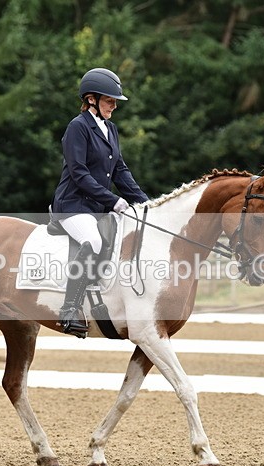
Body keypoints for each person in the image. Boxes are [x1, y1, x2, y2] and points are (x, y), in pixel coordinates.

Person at [50, 67, 149, 338]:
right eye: (109, 101)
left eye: (115, 102)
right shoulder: (77, 127)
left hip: (97, 207)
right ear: (91, 99)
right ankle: (69, 309)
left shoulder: (111, 130)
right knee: (92, 241)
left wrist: (145, 204)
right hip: (72, 205)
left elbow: (120, 171)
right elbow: (79, 173)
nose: (114, 106)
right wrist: (114, 201)